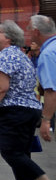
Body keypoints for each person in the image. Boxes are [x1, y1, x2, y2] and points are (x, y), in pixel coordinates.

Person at [0, 20, 56, 180]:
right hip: (30, 110)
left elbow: (1, 87)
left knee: (11, 152)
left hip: (14, 110)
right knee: (22, 153)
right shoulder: (22, 56)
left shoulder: (5, 56)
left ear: (7, 38)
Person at [27, 15, 56, 145]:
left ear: (36, 32)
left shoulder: (48, 54)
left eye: (29, 29)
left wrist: (46, 120)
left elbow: (51, 90)